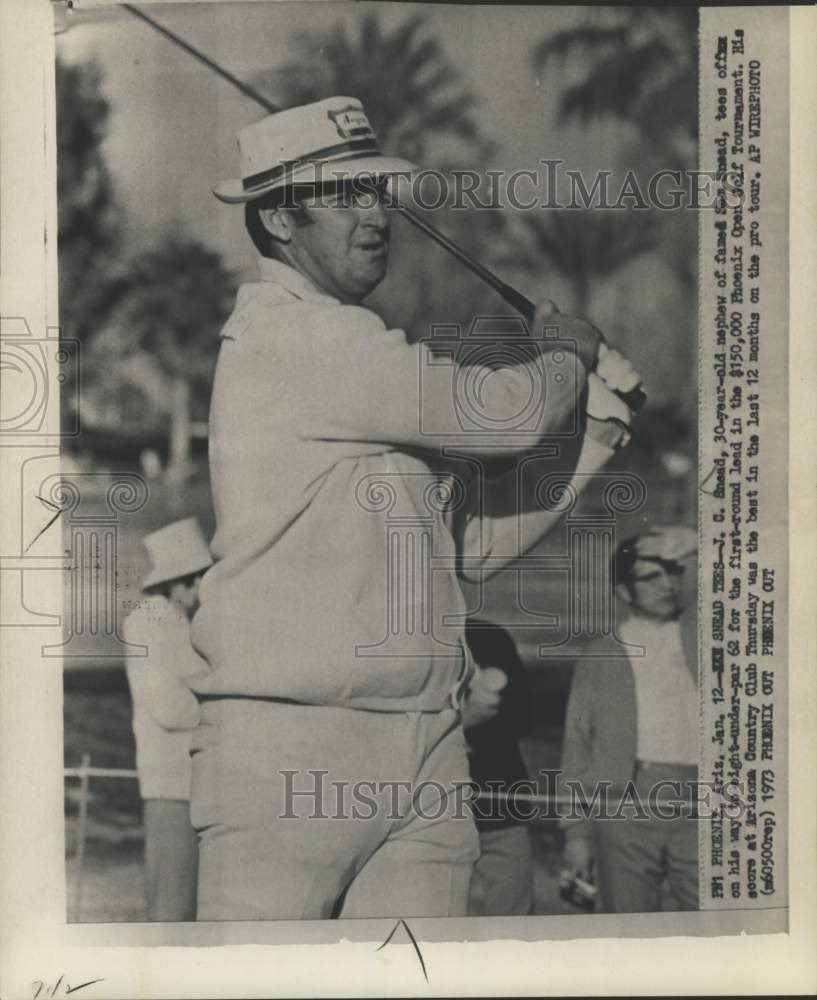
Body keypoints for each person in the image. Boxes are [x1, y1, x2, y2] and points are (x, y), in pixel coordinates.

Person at [188, 95, 643, 920]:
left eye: (378, 194)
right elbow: (503, 415)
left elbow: (463, 551)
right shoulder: (296, 336)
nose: (376, 216)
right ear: (280, 223)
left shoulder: (355, 360)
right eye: (345, 196)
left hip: (429, 740)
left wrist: (601, 428)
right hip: (290, 746)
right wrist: (566, 354)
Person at [560, 525, 698, 913]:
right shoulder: (600, 654)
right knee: (629, 923)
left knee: (716, 923)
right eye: (650, 577)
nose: (666, 584)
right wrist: (576, 834)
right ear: (623, 591)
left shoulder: (707, 636)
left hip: (702, 801)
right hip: (626, 802)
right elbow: (577, 745)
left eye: (672, 572)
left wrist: (696, 545)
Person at [123, 517, 212, 922]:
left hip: (194, 784)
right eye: (193, 581)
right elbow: (166, 704)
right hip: (170, 786)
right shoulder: (147, 620)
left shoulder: (182, 620)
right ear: (174, 580)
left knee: (190, 905)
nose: (198, 591)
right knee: (171, 908)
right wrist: (221, 712)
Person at [462, 620, 535, 917]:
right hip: (425, 809)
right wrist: (461, 722)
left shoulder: (489, 637)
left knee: (514, 925)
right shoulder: (395, 642)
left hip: (501, 803)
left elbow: (524, 717)